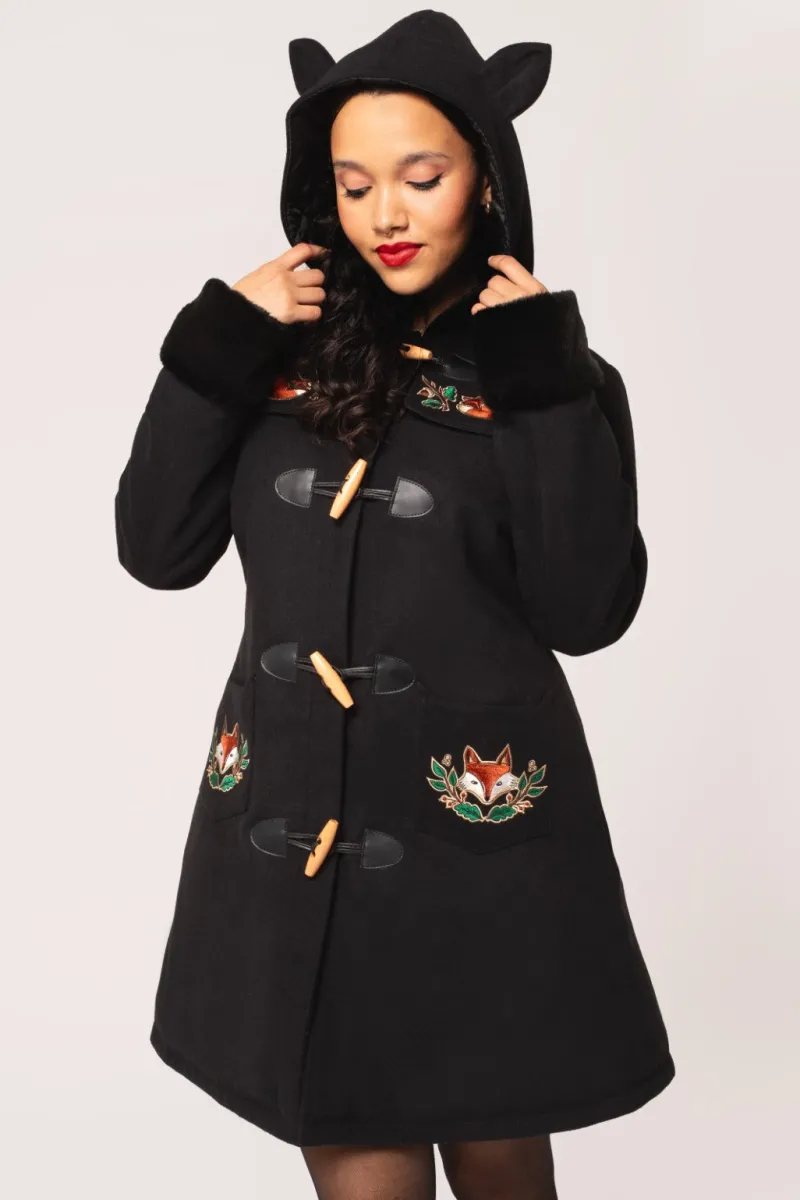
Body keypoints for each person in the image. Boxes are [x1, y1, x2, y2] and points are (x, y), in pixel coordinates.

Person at [114, 11, 675, 1199]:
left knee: (500, 1160)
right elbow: (155, 550)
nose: (386, 213)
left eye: (422, 176)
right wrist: (215, 343)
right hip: (298, 836)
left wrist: (540, 383)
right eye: (354, 182)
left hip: (480, 844)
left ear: (486, 180)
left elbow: (585, 609)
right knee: (358, 1156)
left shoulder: (552, 379)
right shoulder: (266, 362)